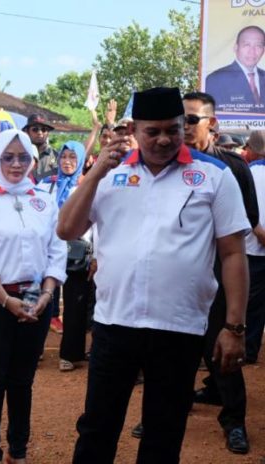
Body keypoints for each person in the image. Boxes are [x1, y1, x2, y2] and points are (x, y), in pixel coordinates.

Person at [58, 87, 250, 464]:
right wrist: (96, 171)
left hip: (178, 328)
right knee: (97, 429)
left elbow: (232, 254)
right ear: (135, 128)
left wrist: (234, 327)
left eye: (172, 129)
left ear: (183, 126)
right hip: (115, 325)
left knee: (164, 434)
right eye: (153, 131)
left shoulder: (213, 175)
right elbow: (66, 229)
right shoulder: (110, 175)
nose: (164, 139)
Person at [0, 128, 66, 463]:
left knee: (22, 382)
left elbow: (57, 248)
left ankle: (18, 453)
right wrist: (6, 300)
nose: (16, 164)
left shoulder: (45, 200)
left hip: (38, 301)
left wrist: (48, 294)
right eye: (8, 157)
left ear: (33, 160)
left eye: (23, 157)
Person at [181, 91, 260, 455]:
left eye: (192, 119)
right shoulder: (168, 165)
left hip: (219, 269)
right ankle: (166, 411)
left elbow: (250, 222)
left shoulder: (233, 167)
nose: (184, 126)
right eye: (180, 119)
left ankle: (234, 421)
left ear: (211, 123)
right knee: (173, 348)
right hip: (178, 274)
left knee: (223, 346)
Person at [39, 141, 92, 372]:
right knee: (42, 300)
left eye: (73, 157)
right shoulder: (45, 184)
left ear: (80, 160)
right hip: (46, 252)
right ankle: (35, 349)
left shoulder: (87, 186)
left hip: (76, 254)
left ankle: (70, 354)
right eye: (64, 157)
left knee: (74, 305)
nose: (67, 161)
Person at [243, 130, 265, 364]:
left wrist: (258, 232)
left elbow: (243, 209)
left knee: (251, 304)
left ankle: (248, 349)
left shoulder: (248, 172)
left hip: (253, 248)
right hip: (255, 246)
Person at [206, 25, 265, 112]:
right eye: (247, 45)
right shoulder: (216, 80)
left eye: (258, 46)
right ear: (236, 47)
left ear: (263, 50)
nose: (252, 51)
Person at [23, 113, 57, 181]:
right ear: (27, 131)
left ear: (48, 133)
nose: (40, 132)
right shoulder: (20, 156)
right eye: (35, 129)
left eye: (44, 129)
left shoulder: (58, 157)